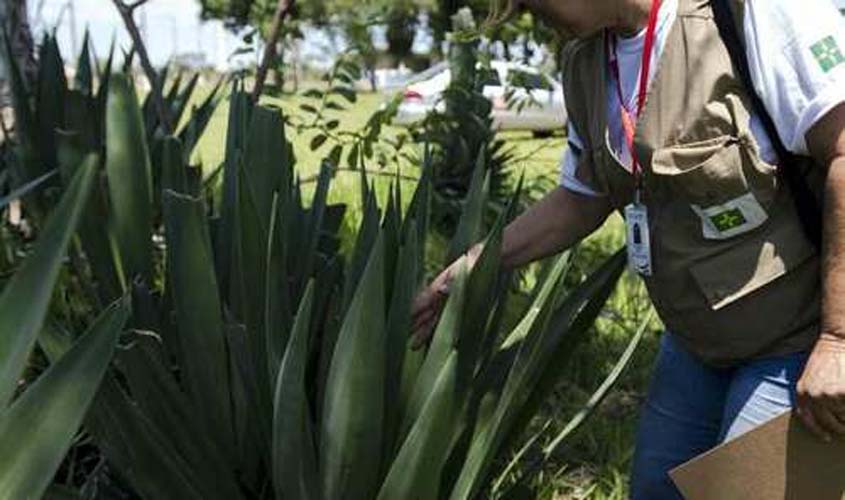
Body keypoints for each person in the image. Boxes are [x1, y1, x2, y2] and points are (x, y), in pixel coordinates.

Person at [410, 0, 845, 498]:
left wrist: (838, 341)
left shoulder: (753, 14)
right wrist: (474, 266)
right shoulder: (587, 62)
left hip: (797, 341)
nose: (530, 14)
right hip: (695, 344)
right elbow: (581, 198)